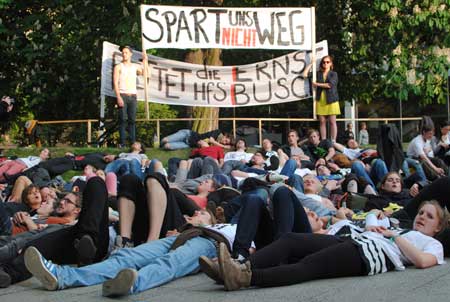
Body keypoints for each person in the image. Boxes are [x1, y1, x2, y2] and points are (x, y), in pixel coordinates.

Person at [211, 199, 447, 291]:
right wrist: (376, 221)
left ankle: (244, 278)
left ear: (438, 227)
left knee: (309, 266)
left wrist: (393, 237)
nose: (422, 217)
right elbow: (371, 219)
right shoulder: (397, 226)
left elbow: (422, 261)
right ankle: (235, 265)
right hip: (354, 239)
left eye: (429, 216)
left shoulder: (432, 243)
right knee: (291, 240)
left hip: (368, 254)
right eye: (421, 213)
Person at [113, 46, 147, 147]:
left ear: (131, 54)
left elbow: (144, 73)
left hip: (133, 96)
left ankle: (133, 143)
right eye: (123, 53)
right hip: (123, 95)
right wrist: (118, 97)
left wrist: (145, 61)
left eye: (126, 52)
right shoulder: (118, 67)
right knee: (122, 120)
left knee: (132, 120)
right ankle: (122, 143)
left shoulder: (134, 66)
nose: (124, 54)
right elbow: (115, 82)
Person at [313, 56, 340, 142]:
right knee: (322, 122)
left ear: (331, 63)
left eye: (328, 62)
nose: (325, 64)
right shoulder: (318, 73)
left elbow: (329, 85)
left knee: (332, 121)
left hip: (331, 99)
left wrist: (317, 84)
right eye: (324, 62)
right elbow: (305, 75)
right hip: (321, 99)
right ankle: (324, 140)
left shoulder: (334, 74)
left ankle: (333, 140)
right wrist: (311, 64)